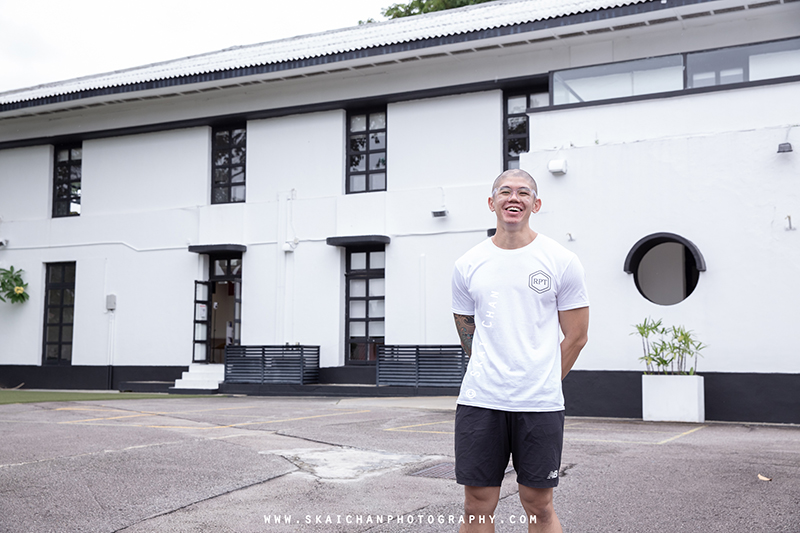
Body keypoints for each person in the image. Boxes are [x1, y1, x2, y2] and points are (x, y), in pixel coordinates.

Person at [451, 168, 590, 533]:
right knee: (476, 505)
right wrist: (490, 368)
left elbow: (577, 336)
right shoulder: (468, 264)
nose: (514, 198)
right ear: (491, 202)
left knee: (539, 505)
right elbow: (466, 329)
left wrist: (543, 379)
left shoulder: (561, 260)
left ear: (536, 204)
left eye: (524, 192)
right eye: (505, 191)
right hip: (481, 401)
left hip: (539, 403)